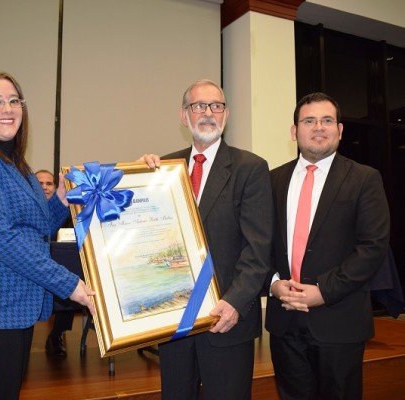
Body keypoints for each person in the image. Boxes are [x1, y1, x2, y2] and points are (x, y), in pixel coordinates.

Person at [0, 70, 95, 400]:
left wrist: (59, 201)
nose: (7, 108)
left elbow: (39, 228)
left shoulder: (16, 166)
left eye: (15, 101)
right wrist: (71, 285)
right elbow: (1, 237)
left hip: (13, 310)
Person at [141, 79, 273, 400]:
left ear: (225, 115)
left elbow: (258, 249)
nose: (208, 113)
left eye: (216, 106)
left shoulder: (250, 168)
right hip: (175, 322)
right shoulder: (163, 169)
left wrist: (235, 303)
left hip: (226, 320)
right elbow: (148, 237)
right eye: (199, 106)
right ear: (184, 116)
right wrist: (139, 181)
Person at [265, 92, 390, 400]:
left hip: (340, 320)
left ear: (340, 130)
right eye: (309, 121)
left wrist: (323, 290)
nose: (318, 127)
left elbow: (372, 247)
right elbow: (258, 243)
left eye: (326, 120)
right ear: (294, 131)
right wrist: (273, 284)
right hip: (285, 322)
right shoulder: (272, 180)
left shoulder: (364, 179)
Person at [35, 169, 78, 357]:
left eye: (49, 183)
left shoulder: (68, 212)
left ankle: (57, 334)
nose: (44, 187)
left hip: (61, 264)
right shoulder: (27, 209)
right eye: (40, 183)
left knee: (70, 281)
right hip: (34, 267)